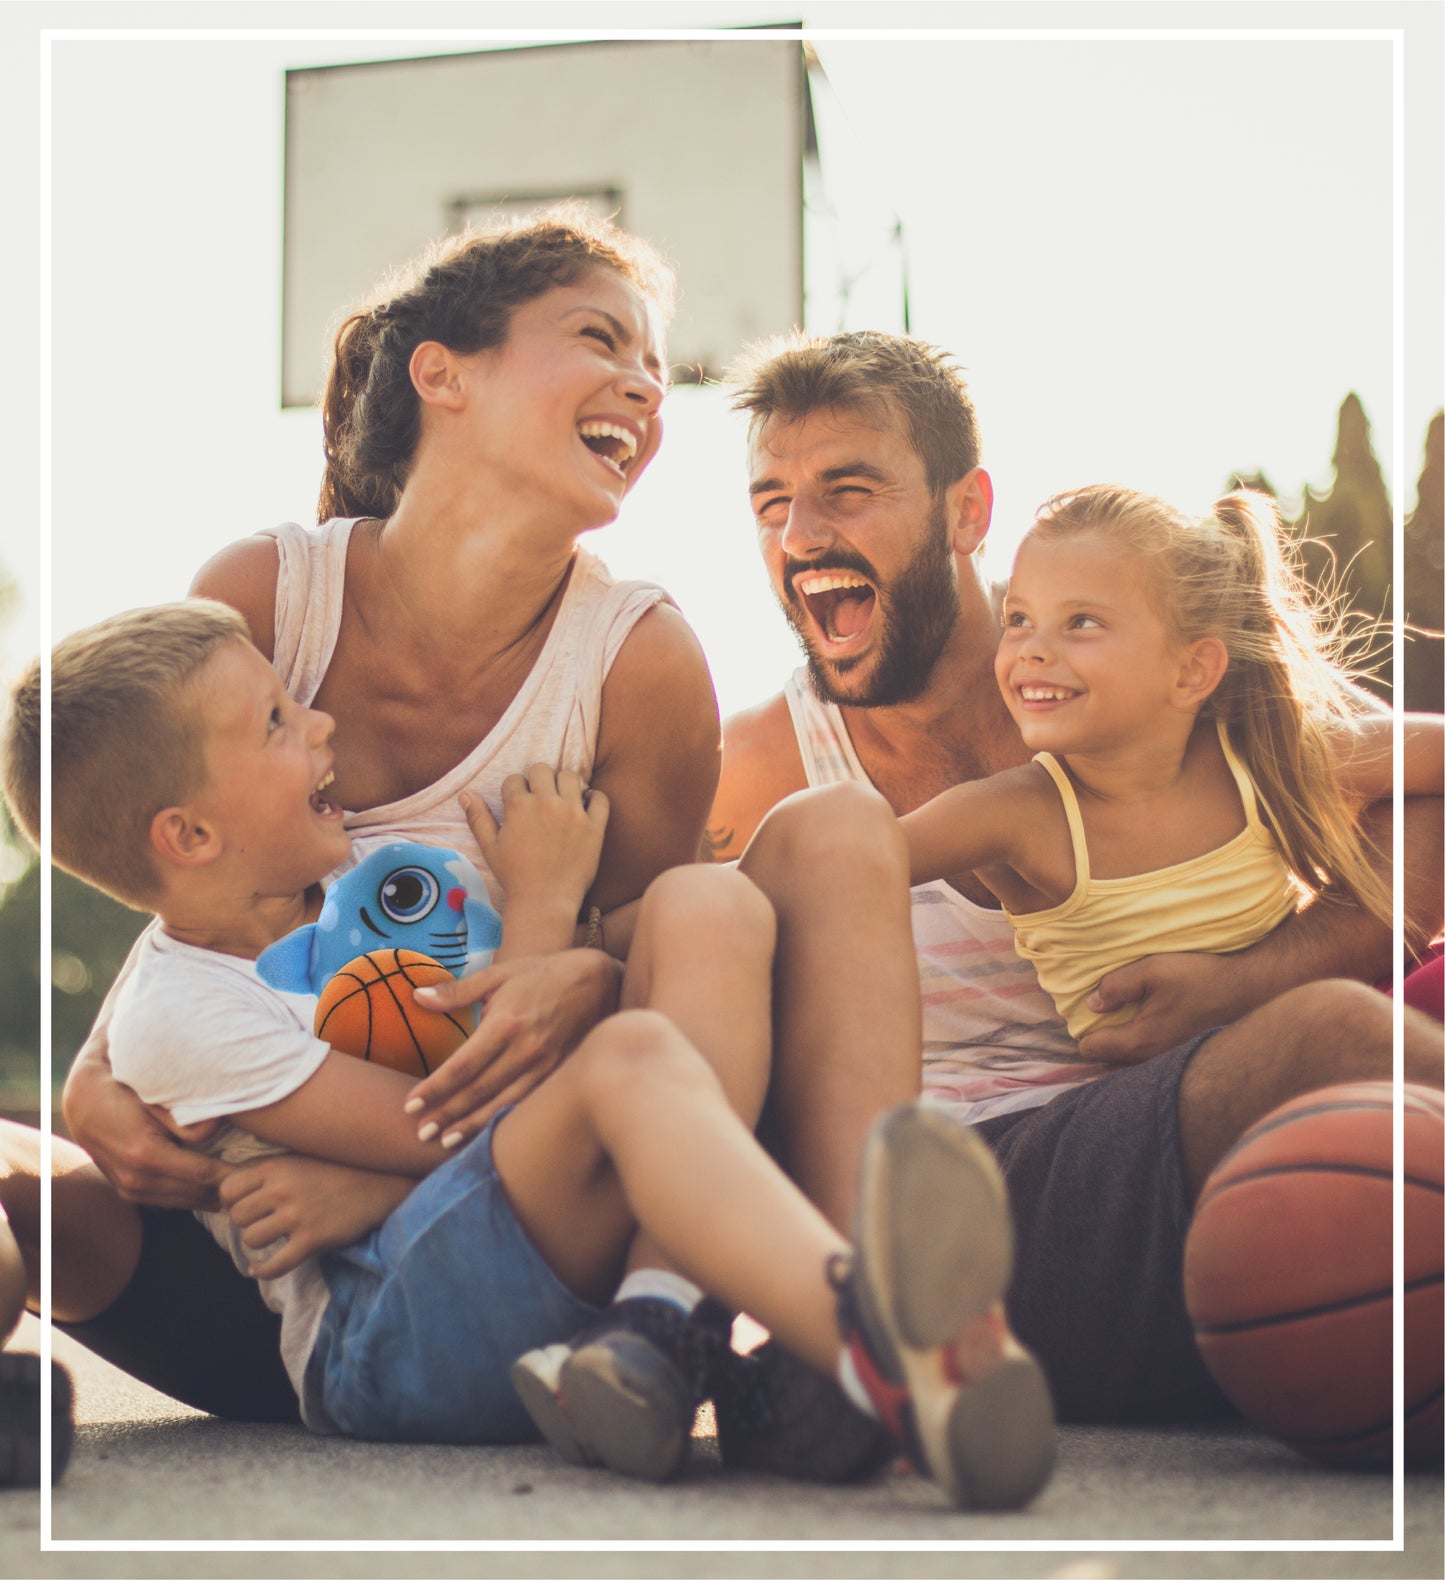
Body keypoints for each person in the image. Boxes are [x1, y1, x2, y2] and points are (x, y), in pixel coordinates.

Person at [1, 600, 1056, 1509]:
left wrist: (630, 936)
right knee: (629, 1059)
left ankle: (675, 1324)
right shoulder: (178, 1011)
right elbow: (449, 1122)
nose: (320, 723)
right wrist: (545, 909)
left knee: (706, 903)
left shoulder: (379, 880)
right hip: (386, 1337)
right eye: (277, 721)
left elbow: (521, 1043)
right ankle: (880, 1342)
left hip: (497, 1252)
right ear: (187, 836)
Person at [707, 330, 1444, 1425]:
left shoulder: (1134, 677)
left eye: (846, 491)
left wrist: (1249, 978)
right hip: (973, 1194)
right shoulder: (756, 765)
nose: (800, 533)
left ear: (966, 511)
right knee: (1335, 1038)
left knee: (1351, 1058)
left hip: (1192, 1137)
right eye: (770, 503)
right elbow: (673, 948)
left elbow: (1412, 779)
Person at [899, 482, 1445, 1041]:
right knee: (1354, 1024)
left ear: (1191, 671)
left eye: (1081, 621)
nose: (1031, 649)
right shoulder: (1008, 813)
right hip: (1173, 1078)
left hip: (1314, 1028)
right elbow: (861, 859)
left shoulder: (1255, 761)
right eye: (1017, 618)